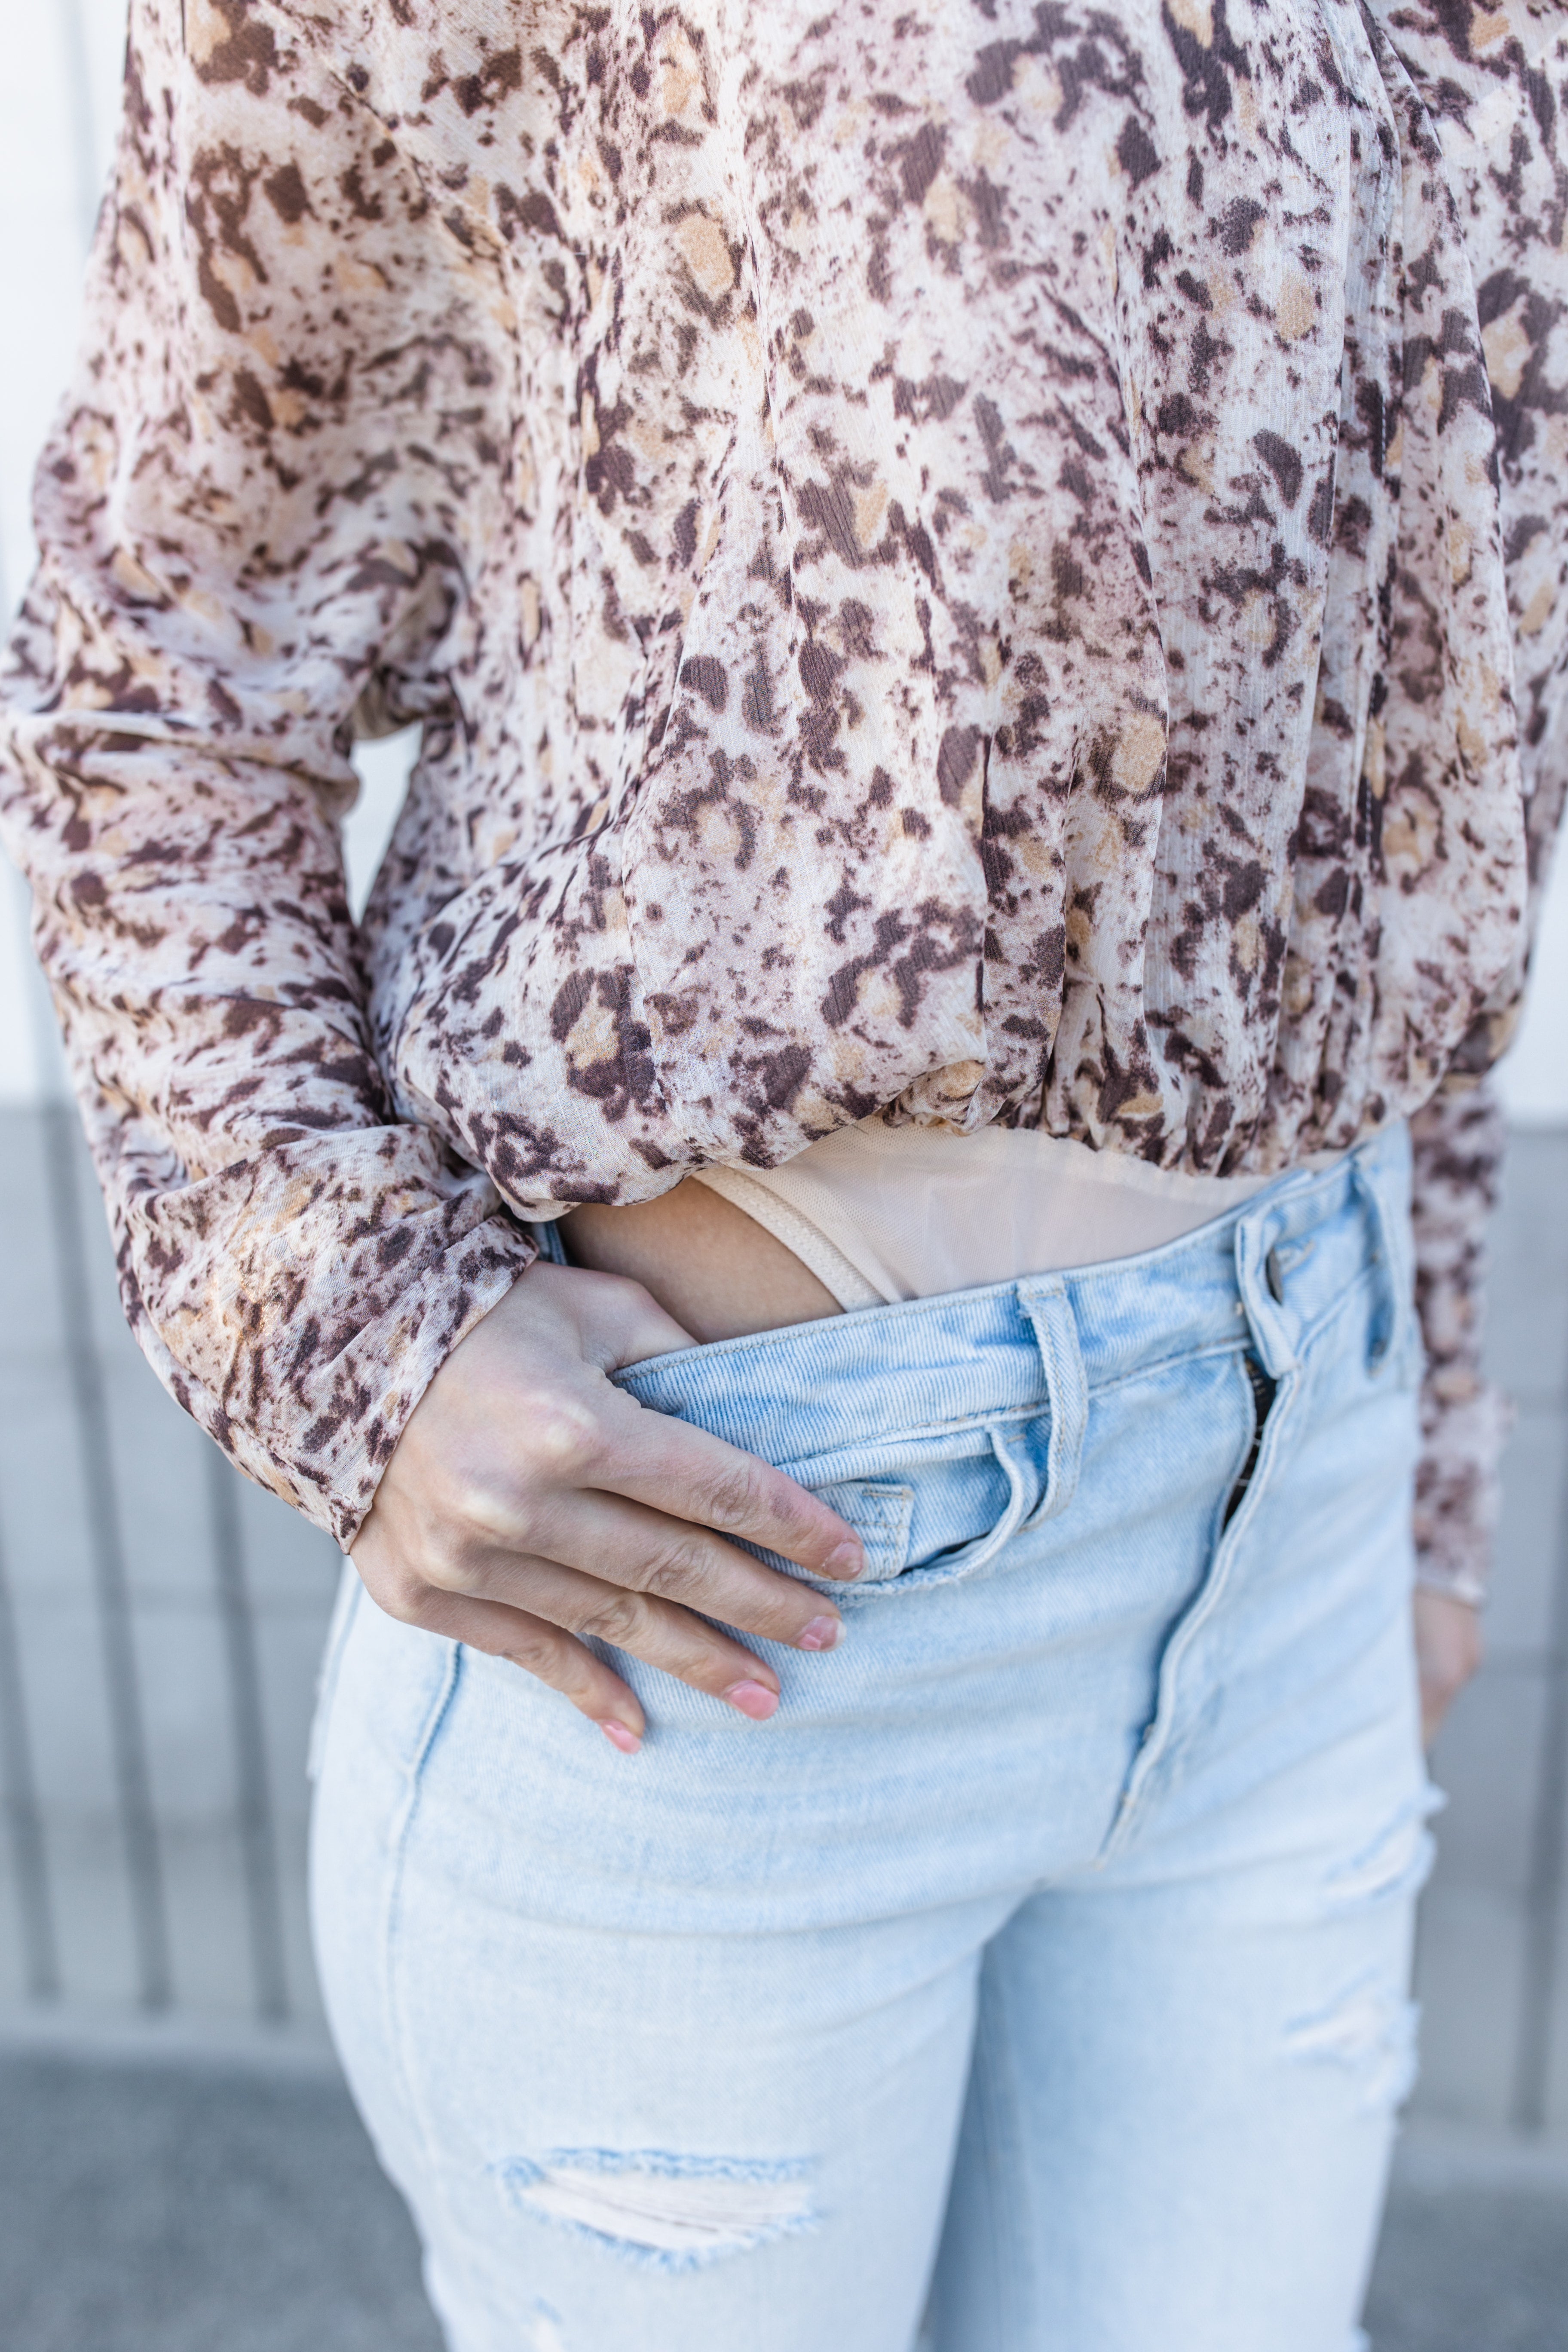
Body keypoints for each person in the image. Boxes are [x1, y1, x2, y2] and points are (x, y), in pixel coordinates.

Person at [2, 0, 1562, 2343]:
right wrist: (349, 1328)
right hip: (727, 1594)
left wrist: (1427, 1446)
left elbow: (1434, 706)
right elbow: (163, 640)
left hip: (1292, 1491)